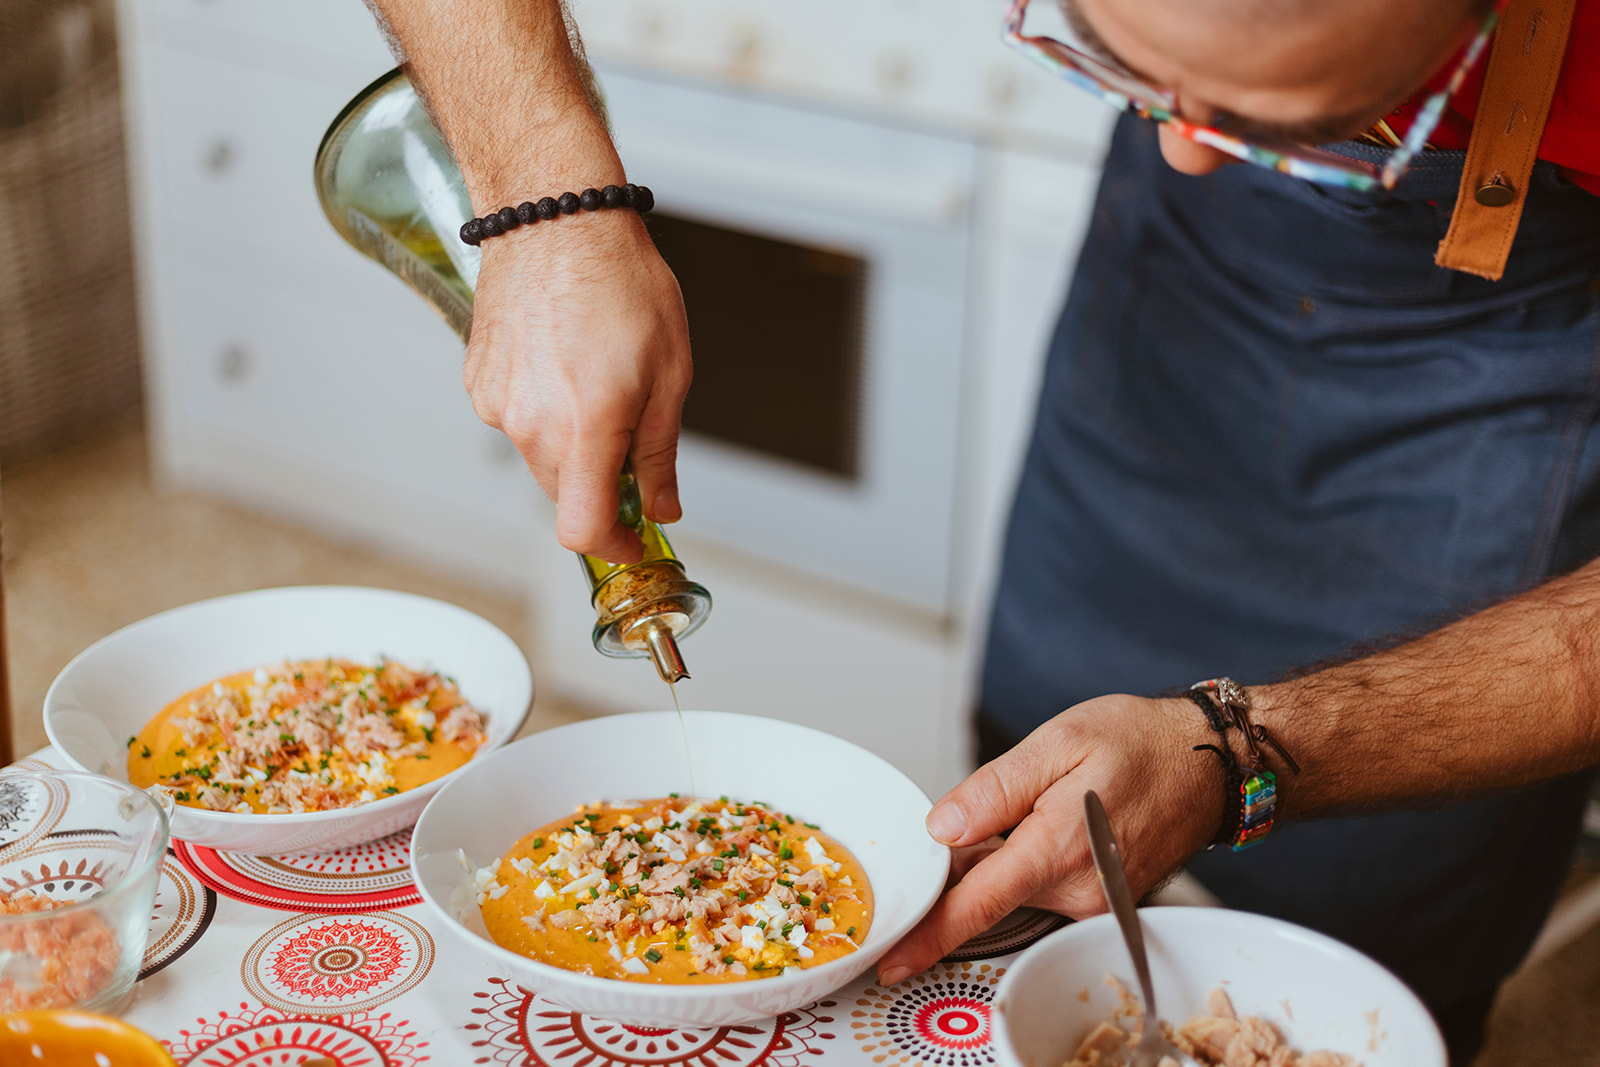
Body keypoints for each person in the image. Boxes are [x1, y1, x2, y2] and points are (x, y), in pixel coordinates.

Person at [364, 0, 1599, 1059]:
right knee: (1037, 813)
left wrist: (1252, 745)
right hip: (1187, 284)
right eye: (1122, 60)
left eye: (1288, 120)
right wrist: (544, 197)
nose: (1183, 150)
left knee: (1378, 918)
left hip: (1533, 324)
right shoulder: (1190, 149)